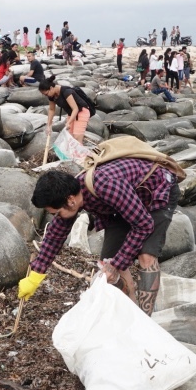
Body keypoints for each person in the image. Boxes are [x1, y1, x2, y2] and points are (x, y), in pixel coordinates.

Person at [18, 155, 180, 315]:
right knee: (108, 264)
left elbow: (144, 225)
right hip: (123, 205)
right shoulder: (71, 195)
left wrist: (116, 264)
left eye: (56, 212)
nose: (55, 216)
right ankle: (131, 312)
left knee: (146, 255)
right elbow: (55, 235)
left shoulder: (105, 186)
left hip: (155, 192)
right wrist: (35, 275)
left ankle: (145, 319)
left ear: (71, 200)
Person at [40, 77, 93, 145]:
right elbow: (51, 110)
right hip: (71, 114)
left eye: (46, 94)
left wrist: (68, 122)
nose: (46, 96)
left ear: (51, 88)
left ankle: (80, 154)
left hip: (81, 112)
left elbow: (75, 109)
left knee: (77, 138)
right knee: (70, 137)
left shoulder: (66, 91)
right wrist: (49, 125)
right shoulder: (52, 96)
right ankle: (72, 154)